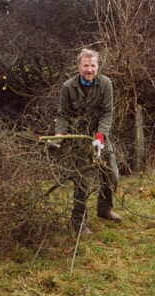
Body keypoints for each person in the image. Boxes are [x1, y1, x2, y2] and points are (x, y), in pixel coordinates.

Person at [53, 48, 121, 234]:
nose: (89, 69)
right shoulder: (68, 87)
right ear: (79, 67)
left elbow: (107, 112)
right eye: (85, 65)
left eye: (93, 65)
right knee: (82, 180)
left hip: (100, 136)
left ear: (97, 66)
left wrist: (100, 136)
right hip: (79, 138)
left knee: (111, 174)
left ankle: (104, 209)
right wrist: (60, 134)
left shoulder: (106, 84)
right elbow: (63, 115)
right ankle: (78, 222)